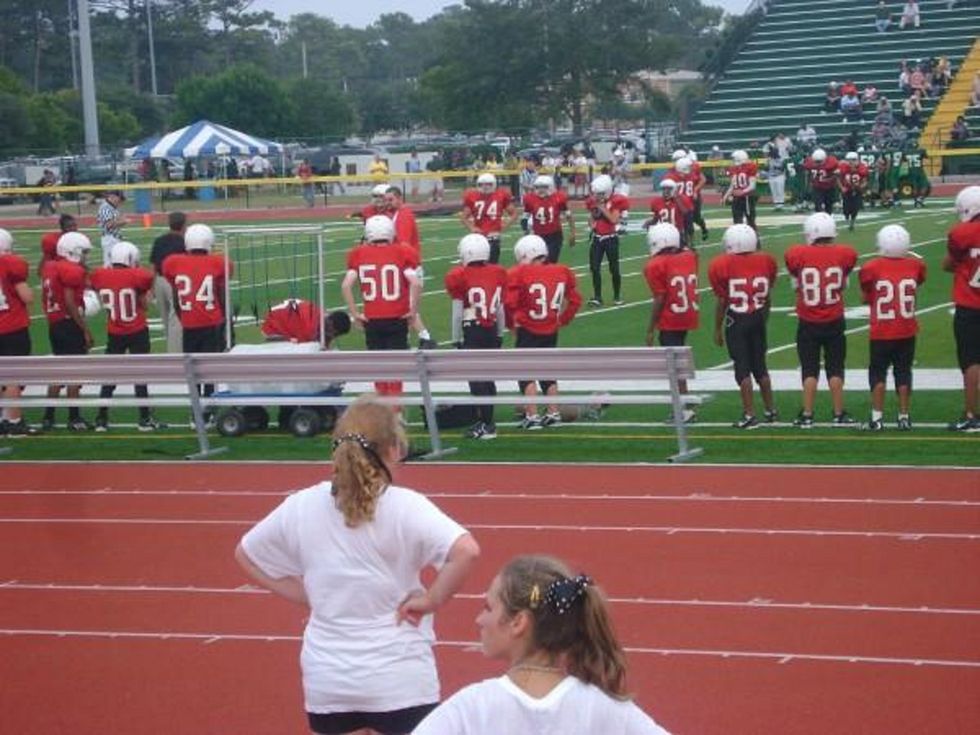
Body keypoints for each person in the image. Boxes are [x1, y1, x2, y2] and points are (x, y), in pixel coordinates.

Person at [236, 396, 480, 735]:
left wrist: (304, 593)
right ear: (395, 450)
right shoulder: (406, 507)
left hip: (329, 680)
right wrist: (432, 599)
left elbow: (247, 553)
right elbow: (466, 551)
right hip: (400, 678)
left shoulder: (301, 506)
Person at [412, 554, 671, 735]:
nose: (479, 619)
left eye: (488, 607)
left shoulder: (473, 707)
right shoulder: (604, 708)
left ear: (518, 622)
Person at [784, 213, 859, 428]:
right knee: (835, 368)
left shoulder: (797, 253)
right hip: (834, 319)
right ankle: (838, 413)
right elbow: (845, 273)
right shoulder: (845, 253)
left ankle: (807, 414)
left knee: (809, 368)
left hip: (808, 320)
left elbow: (793, 271)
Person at [342, 216, 422, 404]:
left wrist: (355, 314)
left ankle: (382, 409)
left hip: (372, 319)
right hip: (397, 317)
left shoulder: (359, 253)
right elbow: (416, 283)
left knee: (378, 368)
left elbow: (346, 285)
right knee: (396, 370)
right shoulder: (403, 251)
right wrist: (413, 311)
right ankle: (394, 412)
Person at [505, 234, 582, 429]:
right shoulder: (561, 271)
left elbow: (509, 303)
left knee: (525, 372)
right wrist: (562, 320)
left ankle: (532, 416)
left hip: (528, 329)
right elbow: (575, 300)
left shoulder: (519, 273)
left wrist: (512, 324)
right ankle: (553, 412)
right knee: (548, 369)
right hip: (550, 329)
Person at [89, 242, 166, 432]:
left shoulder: (101, 275)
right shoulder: (137, 275)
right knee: (140, 375)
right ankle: (144, 418)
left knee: (110, 375)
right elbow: (145, 296)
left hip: (114, 331)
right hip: (137, 330)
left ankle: (101, 417)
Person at [162, 223, 232, 429]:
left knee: (193, 371)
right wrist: (225, 317)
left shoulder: (173, 262)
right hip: (211, 322)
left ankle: (195, 413)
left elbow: (176, 295)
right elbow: (220, 293)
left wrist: (183, 316)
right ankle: (208, 412)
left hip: (190, 323)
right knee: (209, 370)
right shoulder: (219, 262)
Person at [709, 224, 778, 429]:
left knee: (742, 369)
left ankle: (749, 414)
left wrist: (717, 327)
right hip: (757, 316)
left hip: (737, 319)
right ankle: (770, 409)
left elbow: (722, 300)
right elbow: (768, 297)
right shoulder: (766, 260)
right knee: (761, 367)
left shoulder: (722, 264)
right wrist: (763, 318)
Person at [858, 225, 926, 431]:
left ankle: (877, 418)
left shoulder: (871, 267)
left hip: (882, 330)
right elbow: (916, 284)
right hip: (906, 328)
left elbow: (865, 296)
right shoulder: (916, 266)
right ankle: (904, 416)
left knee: (878, 372)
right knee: (904, 372)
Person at [445, 234, 508, 439]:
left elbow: (457, 313)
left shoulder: (460, 275)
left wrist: (456, 339)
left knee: (476, 378)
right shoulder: (497, 272)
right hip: (491, 329)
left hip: (472, 329)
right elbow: (500, 308)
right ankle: (488, 422)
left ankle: (486, 425)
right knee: (488, 377)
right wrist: (500, 332)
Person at [643, 223, 699, 424]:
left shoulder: (655, 265)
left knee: (673, 366)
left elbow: (659, 297)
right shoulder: (689, 257)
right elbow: (690, 250)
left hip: (670, 318)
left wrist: (651, 328)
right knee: (679, 362)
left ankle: (683, 407)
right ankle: (685, 404)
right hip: (687, 314)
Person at [40, 232, 95, 432]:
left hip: (55, 324)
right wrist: (85, 329)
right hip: (68, 324)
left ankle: (48, 416)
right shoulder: (70, 270)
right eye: (83, 252)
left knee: (58, 372)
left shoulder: (50, 266)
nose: (85, 257)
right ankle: (74, 417)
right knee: (74, 373)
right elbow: (70, 303)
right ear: (73, 250)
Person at [943, 186, 980, 431]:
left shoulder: (961, 233)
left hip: (970, 304)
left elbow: (949, 263)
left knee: (971, 361)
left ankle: (970, 414)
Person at [385, 186, 436, 348]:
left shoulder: (404, 215)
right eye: (386, 200)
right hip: (408, 266)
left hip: (409, 267)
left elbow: (404, 243)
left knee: (408, 308)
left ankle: (425, 338)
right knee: (405, 307)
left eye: (391, 199)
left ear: (400, 198)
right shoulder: (398, 215)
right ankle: (409, 339)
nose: (388, 203)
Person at [0, 229, 38, 436]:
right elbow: (27, 297)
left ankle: (3, 419)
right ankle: (13, 421)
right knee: (14, 376)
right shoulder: (9, 264)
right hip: (11, 327)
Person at [584, 174, 629, 306]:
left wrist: (602, 207)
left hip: (610, 239)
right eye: (596, 194)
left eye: (600, 194)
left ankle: (617, 295)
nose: (597, 196)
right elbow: (592, 220)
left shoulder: (616, 201)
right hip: (597, 239)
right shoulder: (593, 201)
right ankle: (598, 297)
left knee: (614, 268)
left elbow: (614, 219)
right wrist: (592, 222)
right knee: (594, 267)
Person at [149, 211, 187, 353]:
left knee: (165, 318)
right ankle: (175, 352)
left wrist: (151, 287)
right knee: (175, 319)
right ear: (183, 225)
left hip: (159, 280)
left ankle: (171, 347)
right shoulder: (184, 241)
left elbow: (152, 265)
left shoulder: (159, 240)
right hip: (175, 281)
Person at [461, 173, 517, 265]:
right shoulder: (472, 196)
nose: (485, 187)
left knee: (492, 264)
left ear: (494, 184)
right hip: (478, 236)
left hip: (493, 236)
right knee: (477, 263)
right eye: (482, 184)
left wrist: (504, 225)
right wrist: (472, 228)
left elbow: (514, 213)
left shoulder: (501, 195)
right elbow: (464, 217)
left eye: (488, 184)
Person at [521, 175, 575, 263]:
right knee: (538, 262)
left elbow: (569, 216)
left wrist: (573, 233)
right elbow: (524, 218)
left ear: (551, 187)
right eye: (538, 187)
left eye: (544, 187)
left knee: (551, 261)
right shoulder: (530, 198)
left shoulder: (559, 197)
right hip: (537, 236)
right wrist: (526, 232)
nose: (541, 190)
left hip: (554, 235)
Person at [261, 299, 352, 345]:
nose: (333, 336)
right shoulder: (310, 329)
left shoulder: (322, 319)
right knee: (297, 347)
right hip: (272, 327)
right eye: (334, 333)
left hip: (286, 317)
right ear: (331, 325)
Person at [722, 150, 758, 230]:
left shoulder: (750, 166)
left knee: (750, 221)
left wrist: (742, 192)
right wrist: (726, 196)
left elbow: (752, 185)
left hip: (747, 197)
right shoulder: (733, 168)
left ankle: (756, 241)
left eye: (735, 159)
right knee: (737, 221)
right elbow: (732, 185)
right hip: (737, 198)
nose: (733, 161)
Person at [837, 151, 869, 231]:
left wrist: (861, 186)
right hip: (847, 190)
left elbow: (865, 181)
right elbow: (838, 179)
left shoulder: (862, 168)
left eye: (853, 160)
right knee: (846, 209)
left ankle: (852, 223)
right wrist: (842, 188)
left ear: (857, 160)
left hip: (857, 190)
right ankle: (847, 219)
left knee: (855, 208)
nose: (851, 163)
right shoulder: (843, 168)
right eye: (849, 160)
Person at [803, 148, 839, 214]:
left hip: (829, 187)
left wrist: (833, 176)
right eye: (816, 161)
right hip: (817, 187)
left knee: (829, 206)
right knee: (818, 205)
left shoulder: (832, 162)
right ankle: (820, 219)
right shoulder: (809, 163)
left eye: (819, 161)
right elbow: (807, 172)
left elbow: (837, 173)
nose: (818, 163)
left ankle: (827, 219)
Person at [96, 190, 126, 267]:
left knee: (117, 261)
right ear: (113, 197)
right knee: (109, 262)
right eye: (119, 199)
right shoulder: (105, 208)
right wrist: (123, 222)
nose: (119, 202)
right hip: (110, 238)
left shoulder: (113, 208)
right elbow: (109, 225)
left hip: (115, 237)